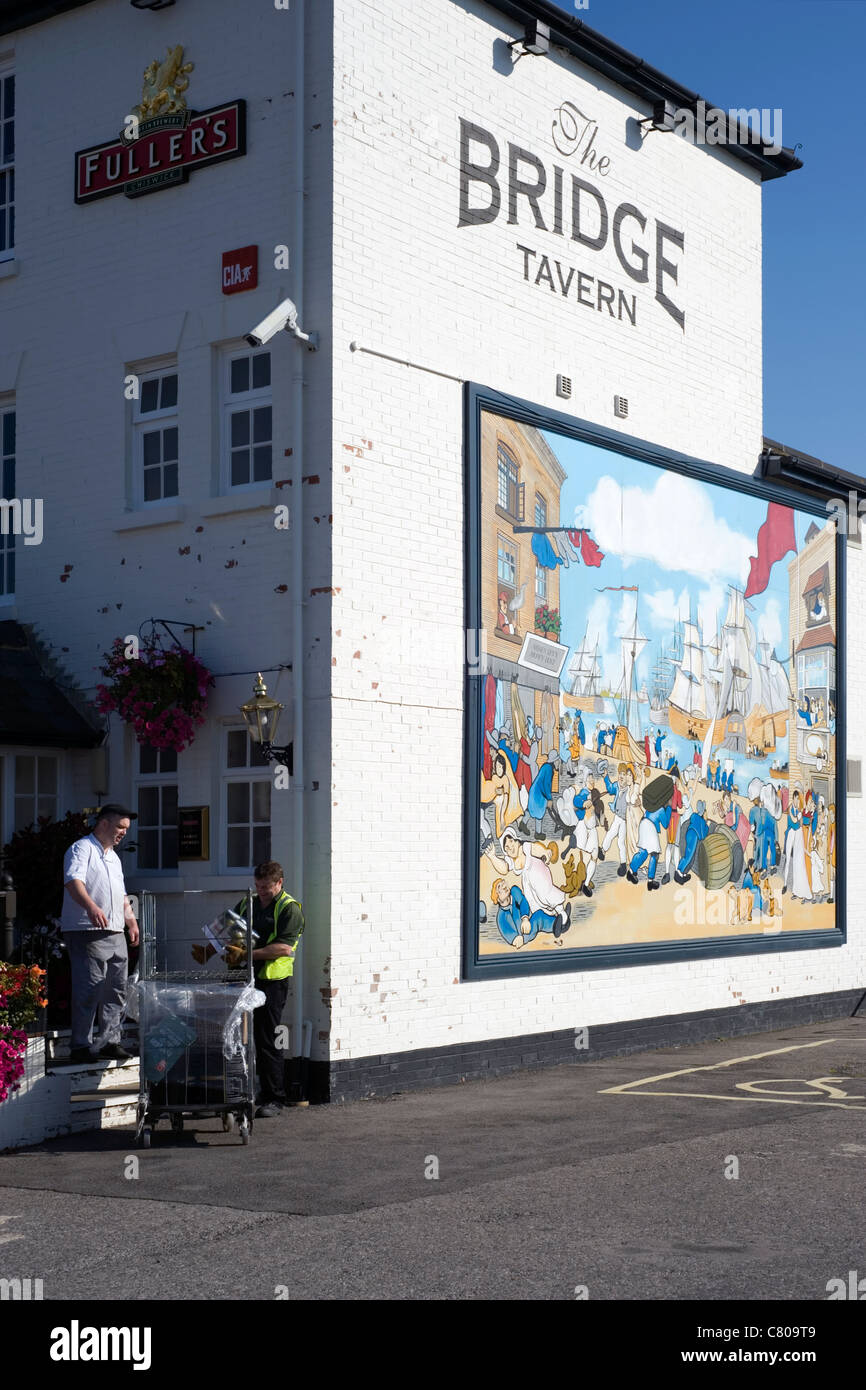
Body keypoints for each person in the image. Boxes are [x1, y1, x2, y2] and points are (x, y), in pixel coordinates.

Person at [60, 804, 140, 1065]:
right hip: (88, 930)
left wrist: (131, 921)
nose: (123, 833)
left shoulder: (114, 857)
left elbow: (121, 893)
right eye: (120, 827)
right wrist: (91, 907)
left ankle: (109, 1042)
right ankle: (80, 1045)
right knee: (89, 988)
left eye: (126, 829)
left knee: (116, 989)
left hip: (115, 930)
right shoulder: (81, 848)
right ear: (103, 824)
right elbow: (73, 882)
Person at [233, 861, 305, 1118]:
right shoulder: (248, 903)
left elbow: (284, 948)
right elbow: (229, 927)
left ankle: (275, 1097)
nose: (261, 891)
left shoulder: (289, 908)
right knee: (239, 1035)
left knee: (268, 1037)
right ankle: (254, 1092)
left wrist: (246, 954)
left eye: (266, 887)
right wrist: (212, 948)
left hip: (272, 982)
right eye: (258, 886)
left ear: (279, 883)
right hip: (245, 977)